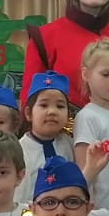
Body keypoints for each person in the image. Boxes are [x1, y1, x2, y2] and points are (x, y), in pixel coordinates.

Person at [72, 38, 109, 213]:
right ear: (86, 75)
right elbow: (84, 169)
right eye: (106, 74)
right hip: (98, 211)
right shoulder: (87, 117)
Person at [17, 71, 73, 205]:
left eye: (60, 106)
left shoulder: (69, 145)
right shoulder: (19, 150)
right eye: (43, 105)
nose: (52, 111)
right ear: (29, 113)